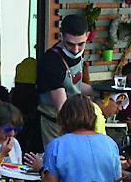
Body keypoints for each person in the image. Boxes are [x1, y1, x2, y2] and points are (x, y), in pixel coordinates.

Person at [36, 14, 99, 147]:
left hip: (74, 118)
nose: (76, 50)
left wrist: (101, 91)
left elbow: (74, 84)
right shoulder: (52, 61)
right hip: (55, 122)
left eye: (80, 44)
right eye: (70, 44)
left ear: (87, 36)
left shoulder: (78, 54)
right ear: (61, 36)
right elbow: (62, 107)